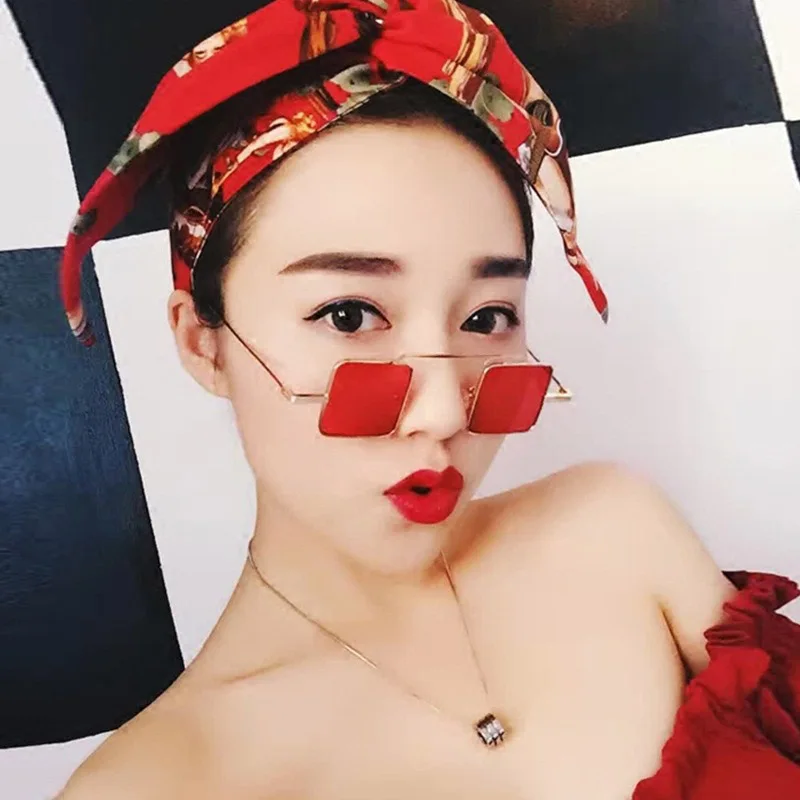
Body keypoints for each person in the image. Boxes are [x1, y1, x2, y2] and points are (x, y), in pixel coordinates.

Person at [56, 1, 800, 798]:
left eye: (486, 318)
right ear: (204, 343)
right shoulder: (153, 784)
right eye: (349, 315)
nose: (444, 412)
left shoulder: (613, 533)